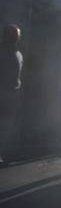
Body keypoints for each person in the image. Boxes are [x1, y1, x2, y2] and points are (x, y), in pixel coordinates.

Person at [0, 25, 23, 166]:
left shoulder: (18, 53)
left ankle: (3, 153)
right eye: (15, 34)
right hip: (2, 91)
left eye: (18, 35)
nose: (17, 37)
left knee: (7, 126)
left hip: (11, 93)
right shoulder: (2, 51)